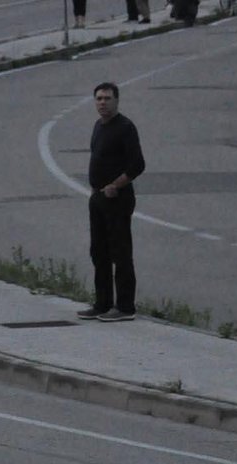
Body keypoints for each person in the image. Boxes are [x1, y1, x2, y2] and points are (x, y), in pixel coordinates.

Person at [77, 82, 145, 323]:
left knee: (120, 252)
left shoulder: (125, 128)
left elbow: (137, 165)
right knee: (99, 252)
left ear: (117, 100)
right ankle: (102, 303)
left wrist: (116, 185)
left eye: (107, 98)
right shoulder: (99, 126)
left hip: (117, 198)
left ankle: (125, 306)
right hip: (97, 197)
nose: (102, 102)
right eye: (99, 98)